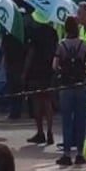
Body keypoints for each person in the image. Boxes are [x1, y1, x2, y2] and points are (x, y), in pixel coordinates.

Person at [54, 16, 86, 165]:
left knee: (67, 120)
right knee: (81, 120)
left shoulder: (61, 45)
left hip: (66, 86)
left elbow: (54, 65)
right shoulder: (84, 44)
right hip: (81, 85)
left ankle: (67, 154)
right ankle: (80, 153)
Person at [23, 9, 58, 146]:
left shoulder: (35, 33)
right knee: (47, 101)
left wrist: (25, 72)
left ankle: (40, 132)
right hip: (49, 70)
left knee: (37, 101)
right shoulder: (53, 33)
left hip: (36, 71)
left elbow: (31, 53)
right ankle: (49, 131)